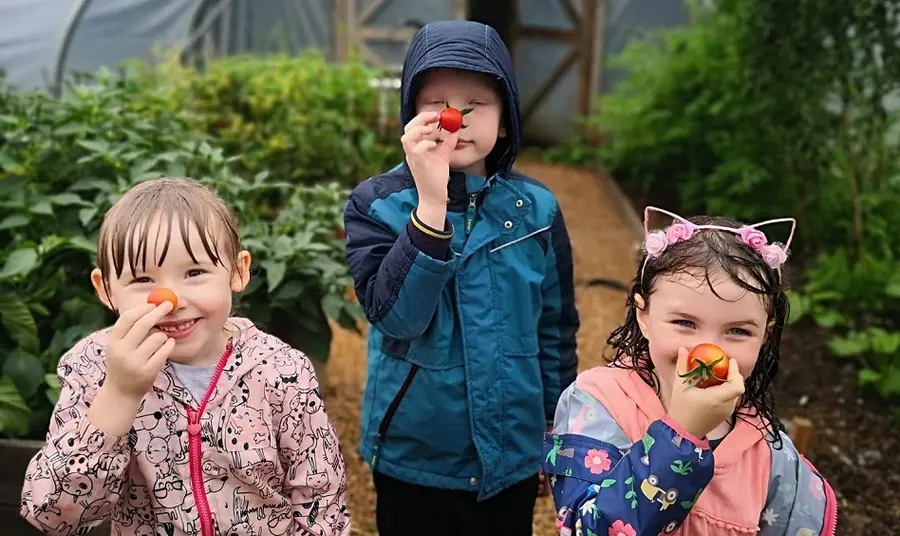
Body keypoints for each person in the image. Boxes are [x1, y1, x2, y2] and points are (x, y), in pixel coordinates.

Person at [343, 20, 580, 536]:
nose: (456, 118)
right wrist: (431, 204)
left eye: (478, 102)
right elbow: (397, 318)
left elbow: (555, 329)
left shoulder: (536, 209)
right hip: (415, 452)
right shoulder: (378, 205)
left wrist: (554, 432)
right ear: (410, 113)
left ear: (507, 116)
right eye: (437, 104)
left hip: (511, 453)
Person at [20, 178, 350, 536]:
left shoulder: (282, 370)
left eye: (194, 273)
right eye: (143, 279)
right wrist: (119, 393)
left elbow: (321, 500)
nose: (170, 300)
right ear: (106, 289)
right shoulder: (92, 367)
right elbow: (53, 515)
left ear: (238, 272)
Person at [541, 207, 838, 536]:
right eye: (685, 323)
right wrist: (681, 433)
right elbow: (586, 528)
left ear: (764, 336)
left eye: (738, 331)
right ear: (644, 316)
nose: (708, 352)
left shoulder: (767, 451)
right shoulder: (600, 405)